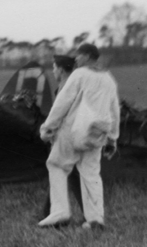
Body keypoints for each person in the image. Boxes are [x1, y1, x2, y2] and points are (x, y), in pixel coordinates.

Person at [39, 44, 120, 229]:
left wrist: (48, 127)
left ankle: (60, 212)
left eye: (79, 55)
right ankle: (95, 219)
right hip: (97, 133)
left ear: (88, 56)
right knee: (91, 174)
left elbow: (63, 101)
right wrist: (113, 137)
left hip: (73, 130)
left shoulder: (79, 75)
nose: (75, 59)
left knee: (57, 165)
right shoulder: (108, 79)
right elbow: (114, 109)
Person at [40, 54, 82, 219]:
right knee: (68, 173)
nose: (53, 71)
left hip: (68, 136)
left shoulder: (67, 87)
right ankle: (50, 213)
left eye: (54, 68)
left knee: (59, 168)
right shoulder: (74, 85)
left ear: (62, 70)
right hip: (75, 135)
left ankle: (54, 215)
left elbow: (58, 114)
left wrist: (47, 131)